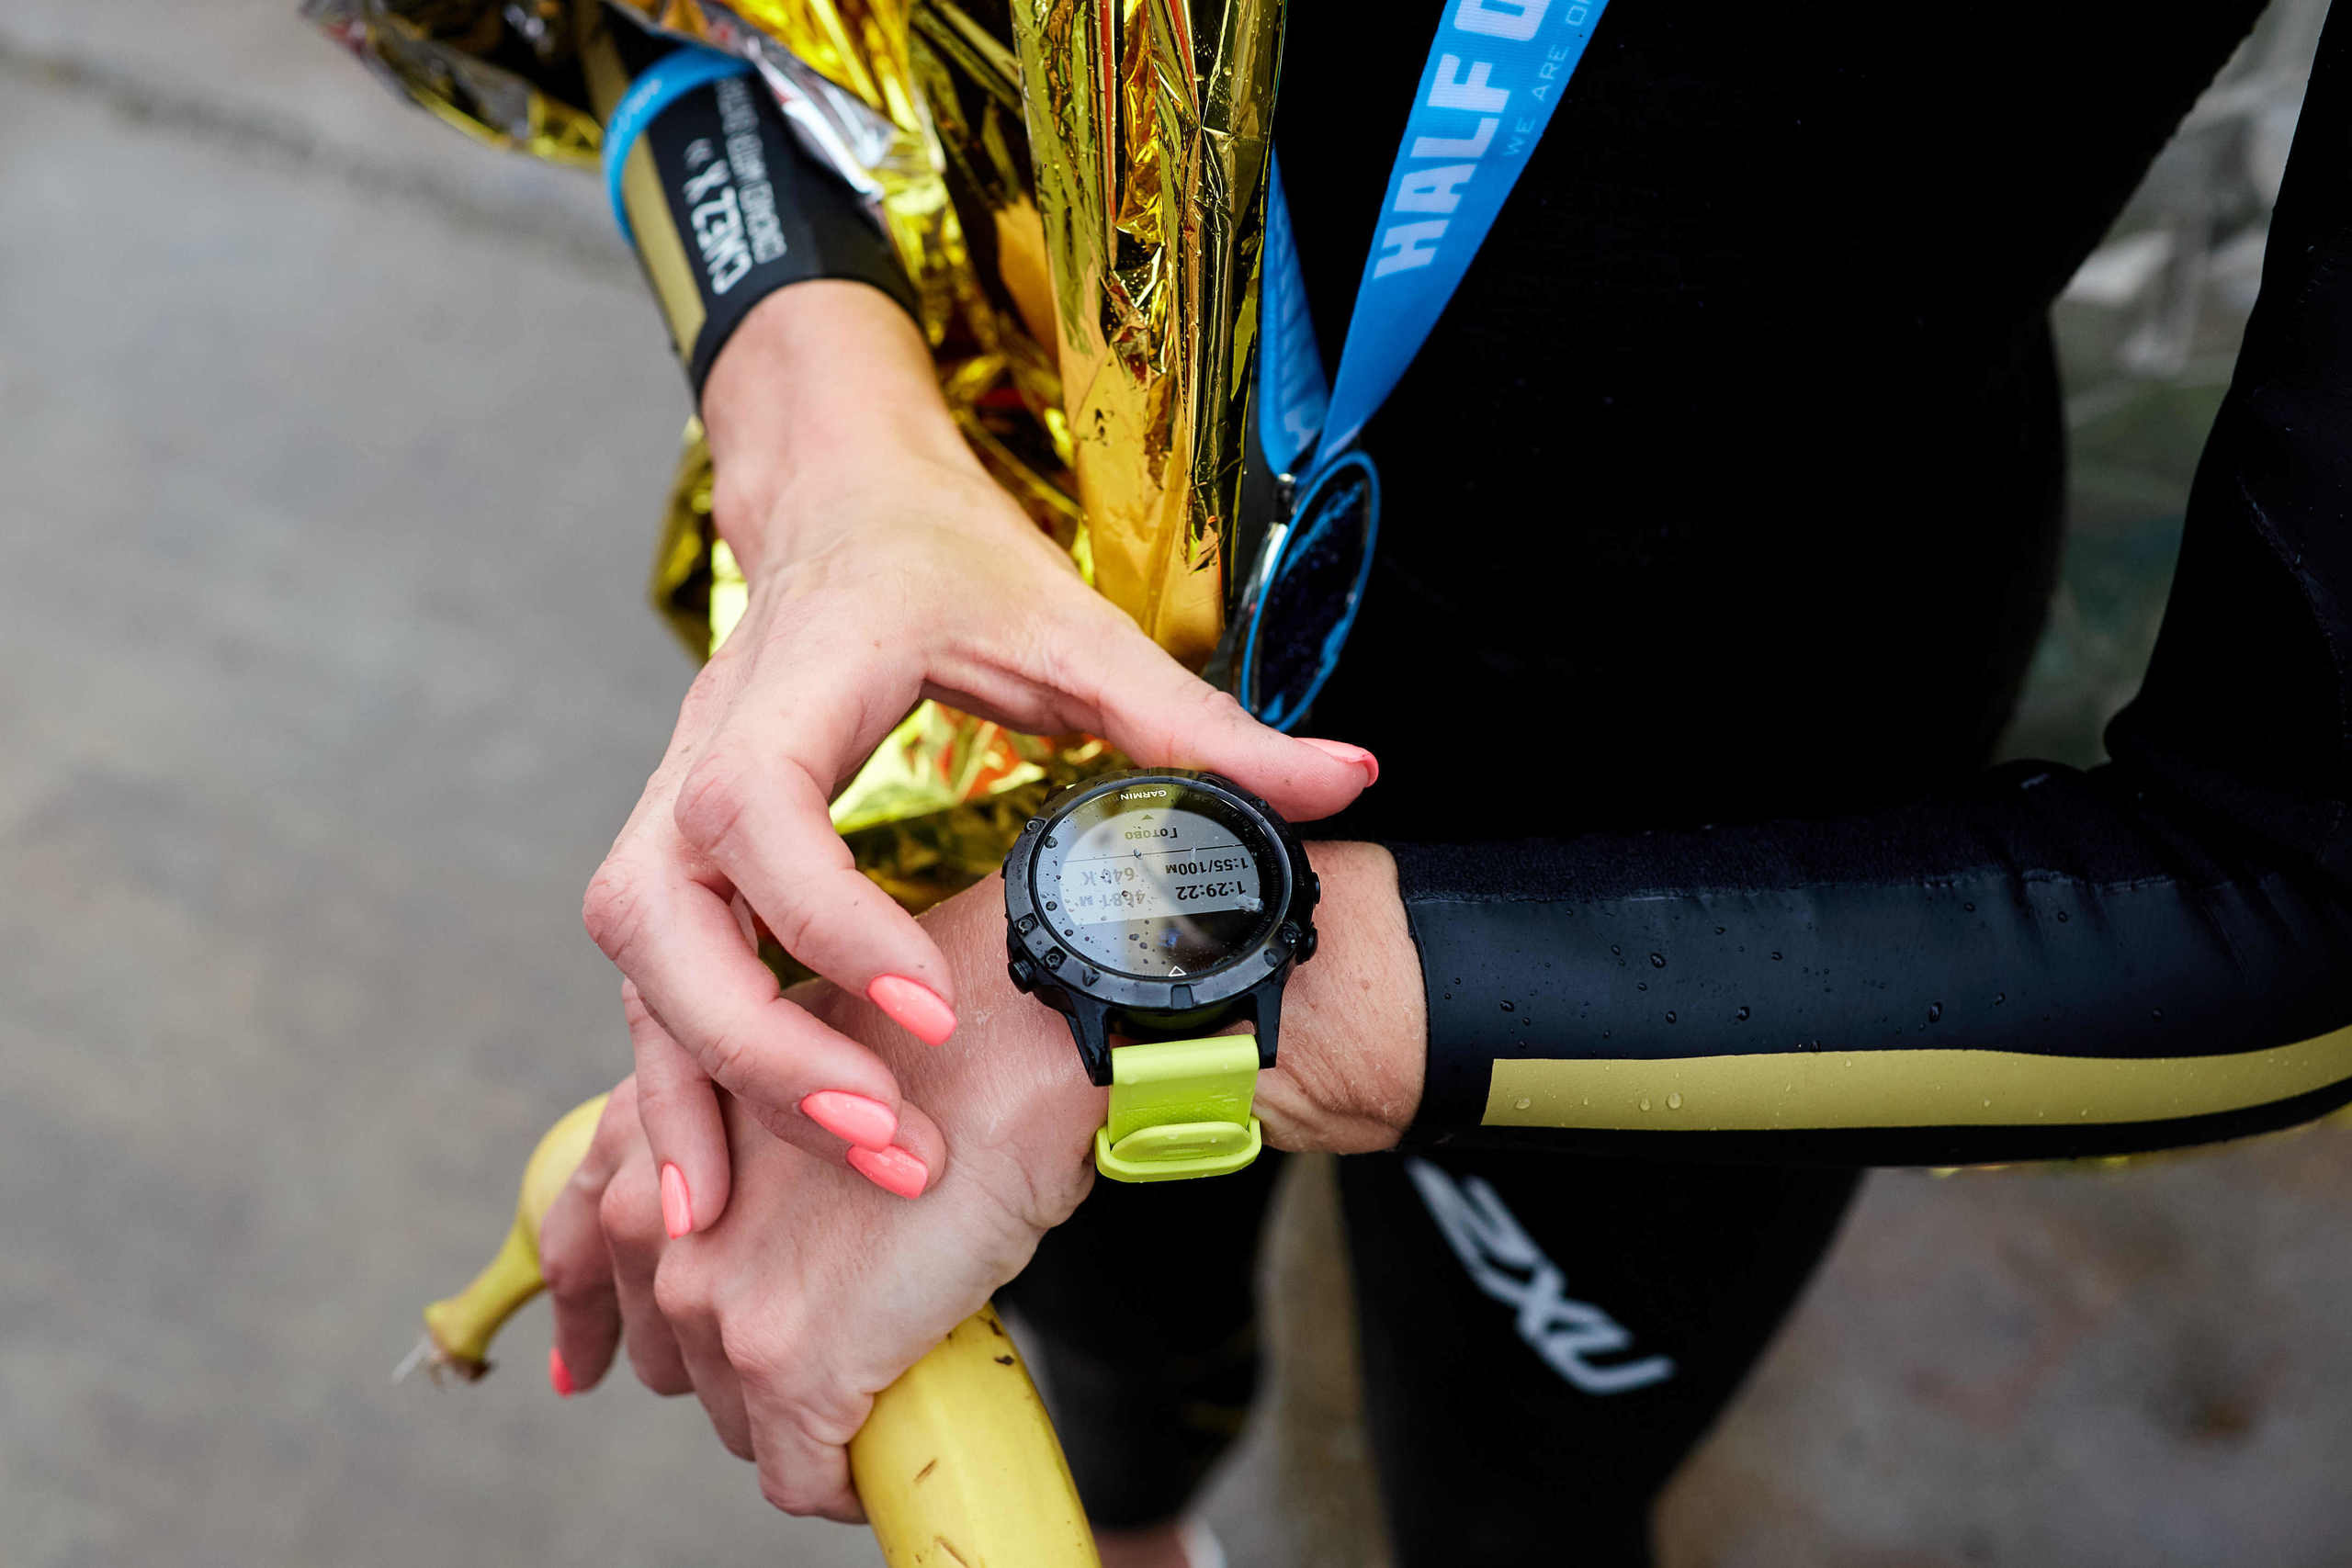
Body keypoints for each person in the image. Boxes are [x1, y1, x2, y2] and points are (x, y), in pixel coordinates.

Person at [339, 0, 2352, 1562]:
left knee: (1510, 1492)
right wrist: (820, 409)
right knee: (1102, 1350)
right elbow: (660, 19)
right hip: (1005, 650)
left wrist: (1164, 1019)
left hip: (1729, 827)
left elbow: (2297, 878)